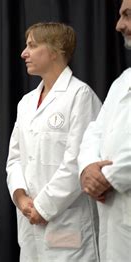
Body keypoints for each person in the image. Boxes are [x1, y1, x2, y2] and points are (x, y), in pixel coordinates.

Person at [6, 22, 102, 261]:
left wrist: (43, 207)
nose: (23, 53)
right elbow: (15, 158)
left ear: (55, 50)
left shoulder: (80, 96)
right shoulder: (26, 103)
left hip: (66, 223)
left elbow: (79, 162)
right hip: (29, 220)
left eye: (32, 46)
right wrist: (20, 197)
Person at [78, 1, 131, 260]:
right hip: (113, 220)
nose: (119, 25)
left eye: (128, 16)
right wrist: (88, 168)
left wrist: (108, 177)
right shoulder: (122, 82)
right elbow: (94, 132)